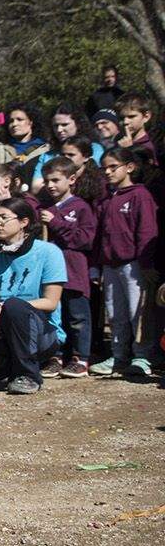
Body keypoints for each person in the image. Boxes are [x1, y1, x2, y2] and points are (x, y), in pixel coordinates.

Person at [0, 196, 67, 394]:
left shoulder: (49, 252)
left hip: (40, 331)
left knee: (14, 306)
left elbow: (50, 302)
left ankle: (28, 375)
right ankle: (5, 368)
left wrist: (5, 306)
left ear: (24, 222)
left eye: (4, 218)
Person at [92, 147, 158, 377]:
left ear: (129, 167)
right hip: (110, 265)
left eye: (113, 167)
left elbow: (147, 231)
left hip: (134, 265)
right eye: (104, 168)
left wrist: (146, 264)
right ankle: (119, 355)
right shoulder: (107, 199)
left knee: (138, 312)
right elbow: (101, 235)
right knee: (115, 313)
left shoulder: (140, 195)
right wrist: (98, 265)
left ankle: (143, 356)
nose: (107, 172)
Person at [38, 157, 98, 378]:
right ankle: (55, 356)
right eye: (47, 181)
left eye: (55, 180)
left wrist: (56, 223)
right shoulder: (45, 208)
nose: (50, 185)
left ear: (71, 179)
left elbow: (85, 239)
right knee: (54, 317)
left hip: (73, 271)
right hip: (50, 275)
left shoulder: (81, 207)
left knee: (78, 317)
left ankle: (80, 358)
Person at [114, 92, 157, 164]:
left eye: (131, 116)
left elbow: (150, 170)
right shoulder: (118, 141)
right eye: (121, 118)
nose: (125, 122)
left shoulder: (152, 146)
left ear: (146, 117)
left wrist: (129, 150)